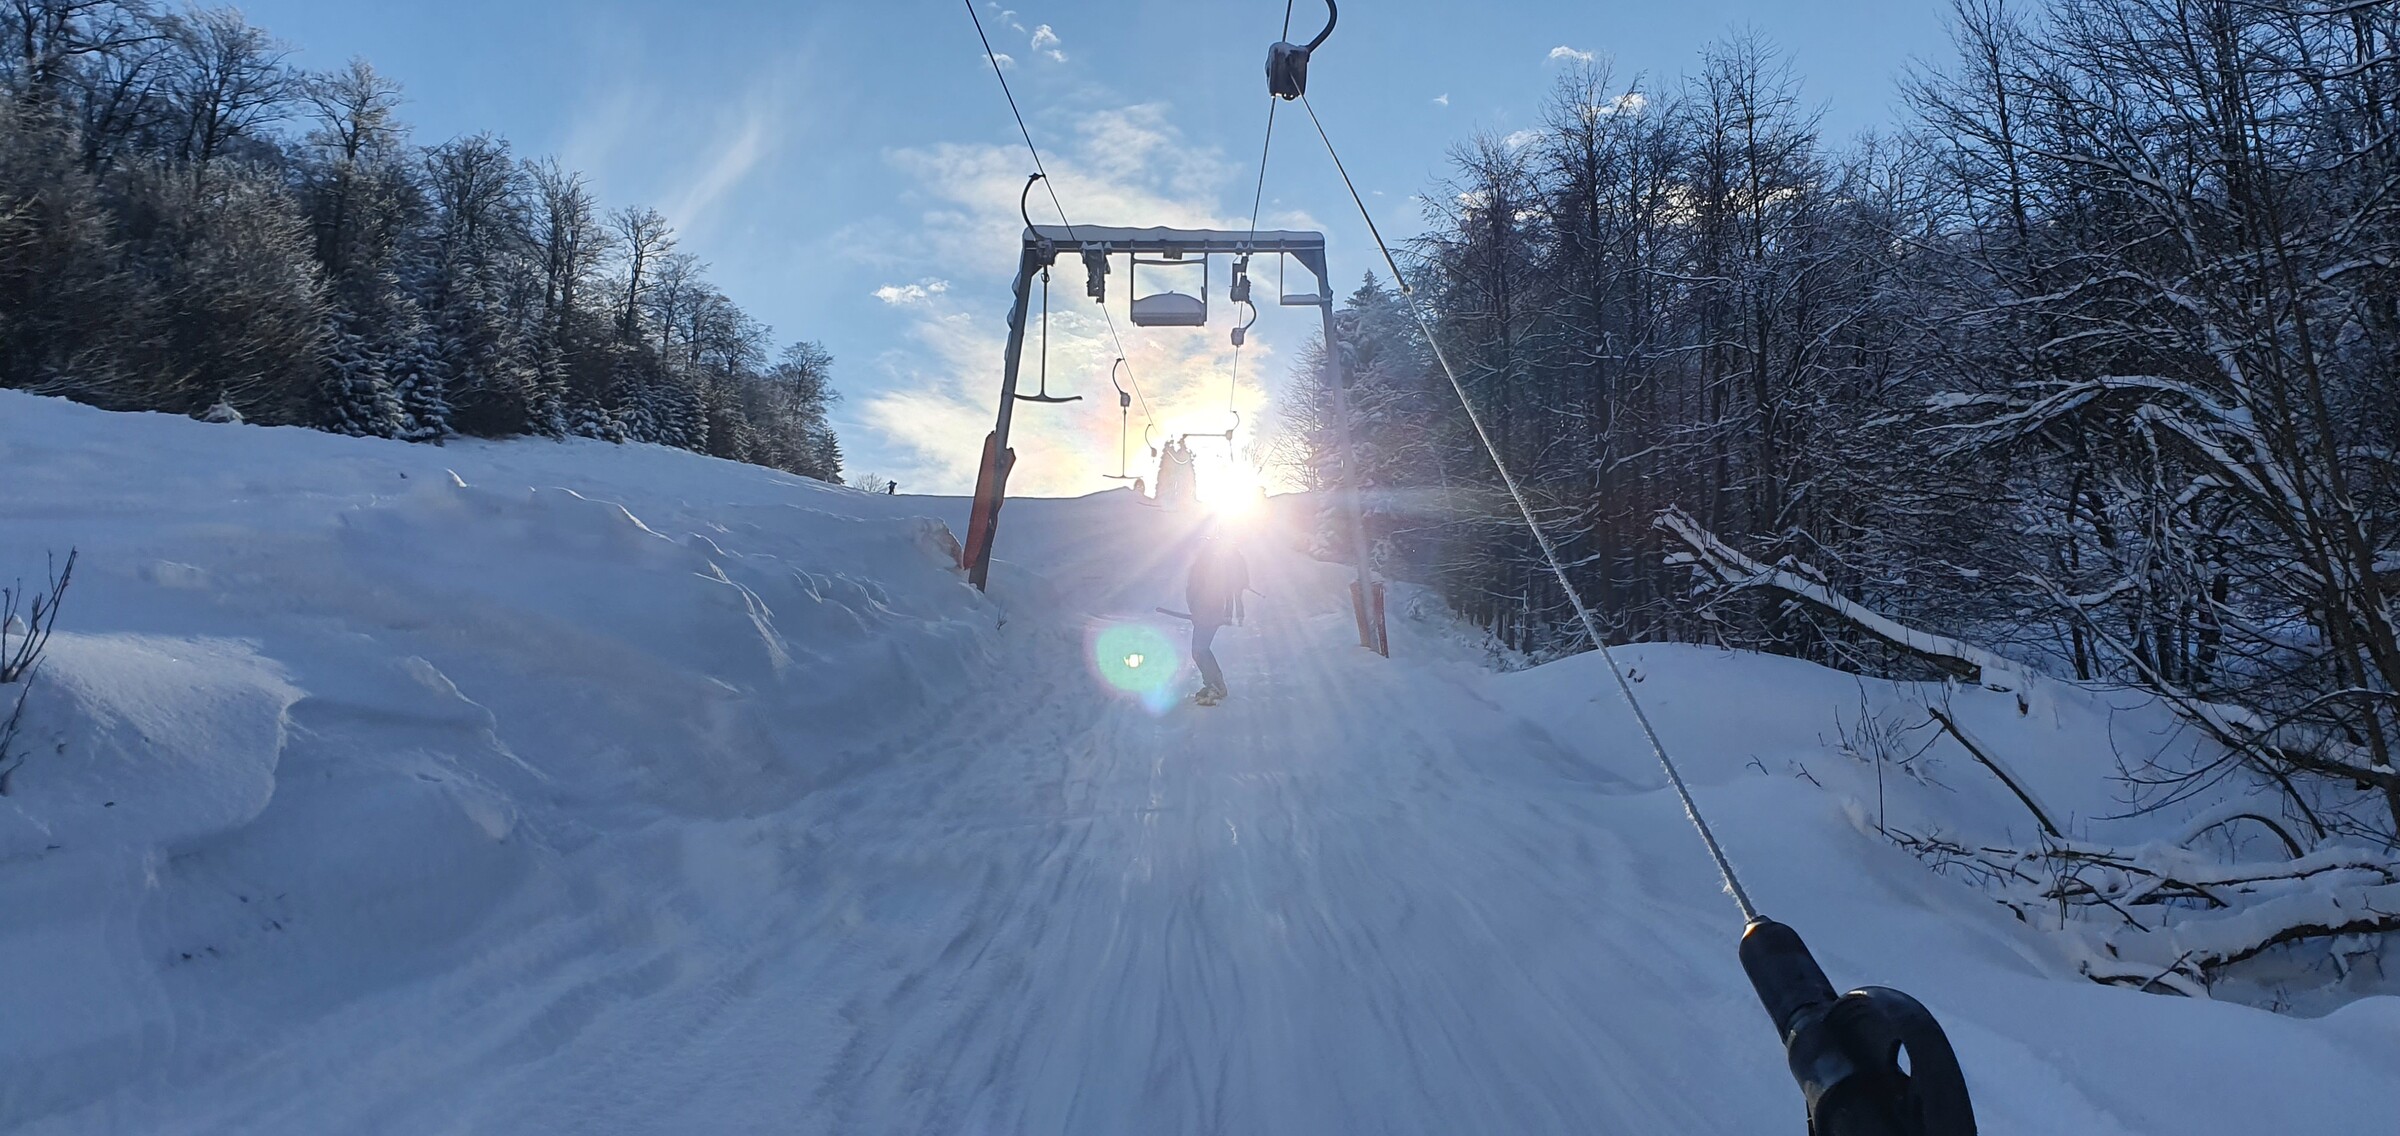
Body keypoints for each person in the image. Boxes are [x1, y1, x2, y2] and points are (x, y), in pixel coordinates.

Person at [1185, 532, 1249, 705]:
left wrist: (1203, 612)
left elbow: (1212, 592)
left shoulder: (1208, 565)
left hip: (1208, 614)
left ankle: (1216, 686)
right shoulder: (1203, 564)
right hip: (1204, 614)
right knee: (1200, 650)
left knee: (1200, 650)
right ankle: (1213, 683)